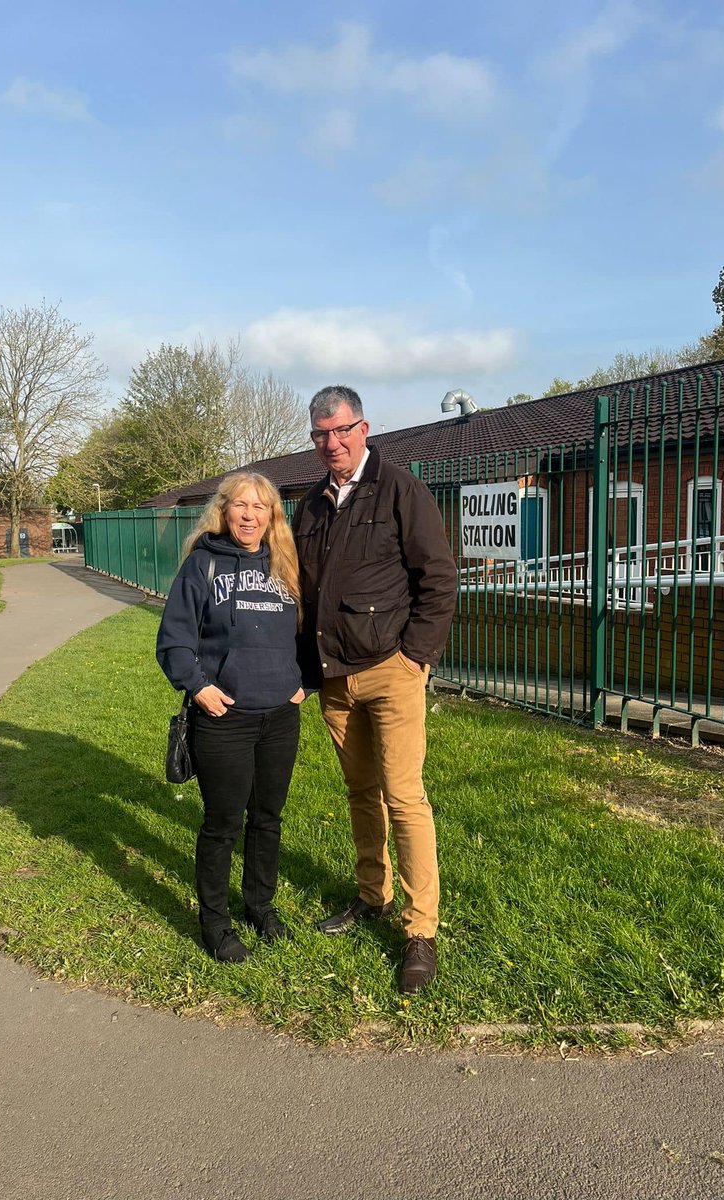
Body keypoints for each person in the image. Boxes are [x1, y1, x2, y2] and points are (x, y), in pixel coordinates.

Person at [292, 386, 458, 993]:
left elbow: (437, 577)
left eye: (340, 431)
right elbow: (300, 590)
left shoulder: (400, 489)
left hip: (392, 668)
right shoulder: (308, 504)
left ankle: (420, 931)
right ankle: (372, 895)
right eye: (319, 435)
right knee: (361, 791)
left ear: (364, 428)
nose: (330, 444)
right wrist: (304, 668)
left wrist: (416, 656)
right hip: (334, 676)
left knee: (404, 796)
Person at [156, 472, 306, 963]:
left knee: (267, 819)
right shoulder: (203, 565)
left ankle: (260, 906)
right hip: (225, 719)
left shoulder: (286, 565)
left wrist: (307, 681)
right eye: (240, 505)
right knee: (223, 823)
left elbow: (310, 631)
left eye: (260, 507)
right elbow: (174, 640)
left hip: (280, 716)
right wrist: (199, 687)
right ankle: (216, 923)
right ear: (223, 510)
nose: (249, 515)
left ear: (272, 516)